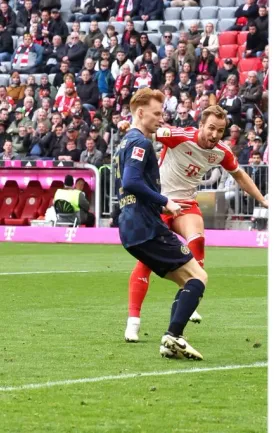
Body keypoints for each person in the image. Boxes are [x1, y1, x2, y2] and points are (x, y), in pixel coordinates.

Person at [124, 105, 269, 344]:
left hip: (185, 205)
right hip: (159, 203)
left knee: (197, 240)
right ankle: (133, 321)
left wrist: (262, 199)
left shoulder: (221, 152)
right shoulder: (180, 136)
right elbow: (149, 132)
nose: (214, 134)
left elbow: (240, 175)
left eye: (220, 131)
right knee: (146, 261)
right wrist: (128, 126)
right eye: (211, 128)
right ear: (201, 125)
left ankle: (189, 298)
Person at [114, 88, 206, 360]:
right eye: (156, 114)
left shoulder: (125, 141)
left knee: (185, 281)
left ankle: (173, 337)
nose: (160, 119)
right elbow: (130, 181)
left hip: (130, 228)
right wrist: (165, 200)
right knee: (198, 276)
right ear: (140, 113)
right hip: (145, 225)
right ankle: (173, 336)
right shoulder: (140, 143)